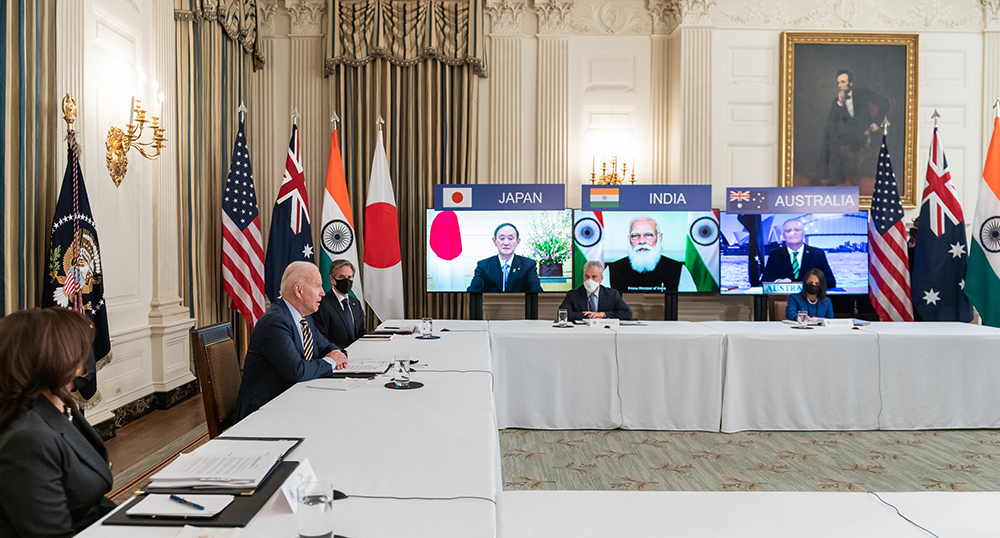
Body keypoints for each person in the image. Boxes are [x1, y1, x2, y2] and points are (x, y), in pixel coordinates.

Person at [0, 308, 116, 537]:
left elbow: (91, 503)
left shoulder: (61, 407)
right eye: (82, 352)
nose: (86, 361)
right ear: (60, 360)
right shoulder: (28, 439)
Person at [236, 262, 348, 421]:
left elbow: (327, 346)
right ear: (298, 290)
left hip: (293, 399)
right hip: (264, 412)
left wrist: (338, 354)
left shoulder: (305, 318)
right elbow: (297, 371)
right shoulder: (275, 322)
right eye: (318, 286)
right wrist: (331, 360)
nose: (323, 293)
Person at [819, 69, 890, 187]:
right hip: (847, 133)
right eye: (838, 83)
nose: (839, 85)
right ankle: (834, 176)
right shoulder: (836, 101)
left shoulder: (862, 94)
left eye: (842, 82)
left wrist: (876, 122)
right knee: (829, 134)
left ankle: (833, 175)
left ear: (851, 83)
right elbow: (831, 121)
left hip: (864, 130)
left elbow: (885, 103)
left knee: (832, 137)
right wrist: (840, 103)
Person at [607, 216, 690, 293]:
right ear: (629, 239)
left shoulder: (679, 270)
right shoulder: (611, 271)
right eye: (635, 235)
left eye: (648, 235)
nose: (642, 241)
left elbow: (689, 305)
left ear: (659, 238)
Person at [761, 218, 837, 288]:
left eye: (797, 230)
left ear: (803, 234)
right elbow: (765, 280)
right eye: (788, 231)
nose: (793, 233)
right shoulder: (775, 255)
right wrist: (778, 282)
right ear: (783, 236)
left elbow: (830, 280)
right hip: (784, 300)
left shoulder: (817, 254)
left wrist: (813, 283)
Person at [467, 223, 542, 292]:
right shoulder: (483, 266)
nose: (506, 243)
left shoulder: (528, 265)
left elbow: (536, 292)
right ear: (494, 241)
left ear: (518, 242)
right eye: (502, 238)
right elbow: (472, 291)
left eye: (510, 238)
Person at [312, 259, 365, 350]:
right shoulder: (322, 304)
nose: (346, 280)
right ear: (332, 279)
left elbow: (361, 332)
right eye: (341, 277)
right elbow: (322, 339)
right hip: (336, 357)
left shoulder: (355, 303)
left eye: (349, 277)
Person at [559, 261, 632, 321]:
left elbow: (627, 314)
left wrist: (602, 315)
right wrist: (590, 315)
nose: (590, 280)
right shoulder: (572, 295)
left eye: (594, 277)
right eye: (587, 277)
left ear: (601, 279)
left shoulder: (612, 294)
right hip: (581, 333)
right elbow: (562, 314)